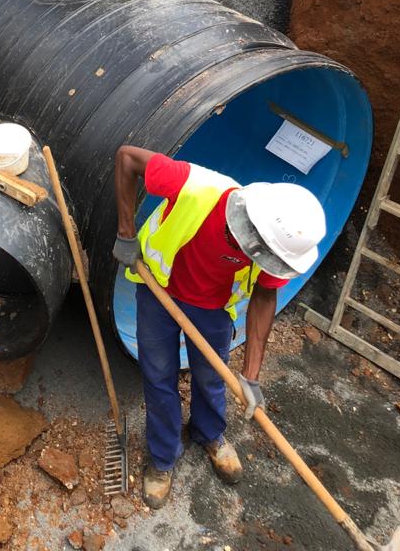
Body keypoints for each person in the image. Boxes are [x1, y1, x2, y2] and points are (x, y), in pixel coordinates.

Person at [112, 146, 327, 509]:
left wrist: (251, 376)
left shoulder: (278, 245)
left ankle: (209, 434)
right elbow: (126, 158)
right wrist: (126, 232)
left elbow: (263, 297)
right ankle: (163, 457)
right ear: (253, 232)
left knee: (212, 375)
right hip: (158, 289)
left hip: (213, 307)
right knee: (159, 375)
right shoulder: (196, 187)